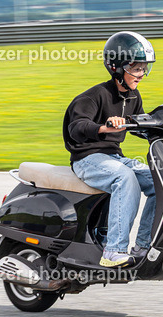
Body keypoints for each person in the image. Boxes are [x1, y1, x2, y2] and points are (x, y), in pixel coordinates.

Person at [64, 31, 157, 268]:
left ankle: (143, 246)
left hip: (113, 157)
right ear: (116, 67)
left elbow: (140, 123)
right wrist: (103, 128)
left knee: (158, 181)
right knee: (124, 178)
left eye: (144, 68)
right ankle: (113, 251)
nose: (141, 74)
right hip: (87, 159)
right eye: (136, 68)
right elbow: (77, 127)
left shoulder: (133, 96)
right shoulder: (95, 96)